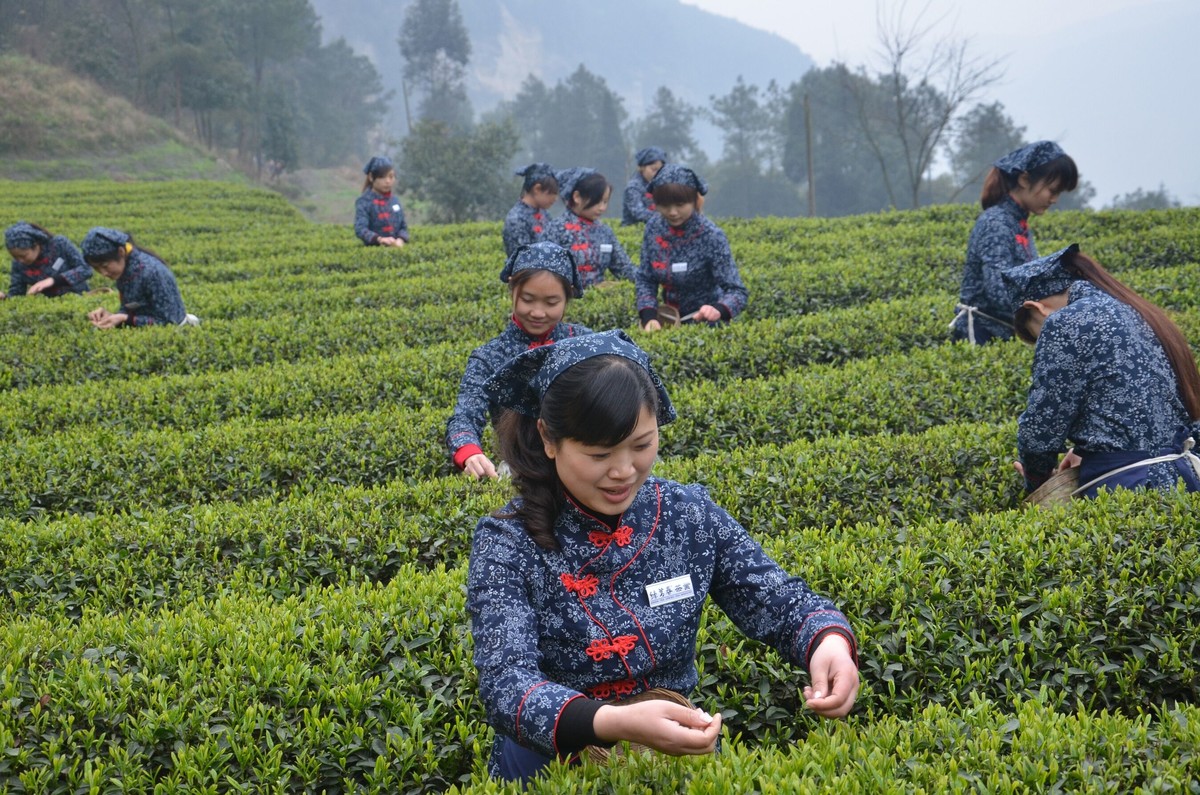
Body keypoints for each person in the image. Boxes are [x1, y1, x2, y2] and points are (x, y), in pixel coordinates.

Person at [467, 329, 859, 783]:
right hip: (550, 760)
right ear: (548, 439)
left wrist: (827, 642)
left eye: (641, 444)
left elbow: (778, 599)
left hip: (670, 748)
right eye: (599, 454)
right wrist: (609, 722)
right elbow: (506, 684)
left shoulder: (687, 513)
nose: (623, 471)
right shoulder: (507, 541)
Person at [1003, 244, 1200, 497]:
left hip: (1126, 486)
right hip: (1184, 479)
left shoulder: (1066, 322)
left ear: (1035, 308)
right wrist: (1090, 447)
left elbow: (1041, 430)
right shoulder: (1139, 312)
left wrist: (1037, 479)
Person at [446, 241, 592, 479]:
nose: (537, 312)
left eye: (551, 302)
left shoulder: (586, 343)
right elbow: (466, 414)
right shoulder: (489, 356)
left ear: (568, 298)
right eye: (527, 299)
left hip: (585, 466)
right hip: (521, 473)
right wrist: (469, 451)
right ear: (512, 290)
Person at [951, 140, 1079, 344]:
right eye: (1052, 190)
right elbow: (998, 291)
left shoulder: (1018, 223)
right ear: (1024, 180)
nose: (1054, 199)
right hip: (982, 335)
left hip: (1006, 334)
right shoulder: (996, 222)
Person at [636, 165, 748, 332]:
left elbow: (737, 291)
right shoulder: (653, 227)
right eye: (665, 205)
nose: (673, 212)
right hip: (667, 322)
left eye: (680, 204)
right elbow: (646, 277)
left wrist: (718, 308)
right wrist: (649, 316)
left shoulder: (711, 236)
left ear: (694, 201)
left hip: (706, 326)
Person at [80, 227, 197, 328]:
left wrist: (125, 318)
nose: (103, 273)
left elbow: (169, 322)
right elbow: (130, 309)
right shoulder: (125, 269)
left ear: (121, 252)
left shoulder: (151, 272)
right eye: (96, 268)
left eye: (104, 266)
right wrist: (111, 316)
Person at [542, 168, 635, 291]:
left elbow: (624, 267)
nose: (602, 208)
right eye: (597, 201)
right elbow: (543, 274)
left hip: (598, 301)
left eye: (605, 202)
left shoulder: (604, 231)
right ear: (577, 197)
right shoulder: (556, 229)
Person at [3, 221, 92, 299]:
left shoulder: (59, 244)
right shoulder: (18, 264)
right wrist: (5, 298)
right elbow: (17, 294)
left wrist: (52, 281)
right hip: (51, 305)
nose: (20, 260)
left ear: (36, 245)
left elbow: (85, 269)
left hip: (79, 297)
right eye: (15, 257)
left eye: (23, 256)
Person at [503, 163, 559, 258]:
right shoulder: (517, 219)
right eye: (552, 193)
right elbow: (521, 259)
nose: (555, 198)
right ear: (537, 189)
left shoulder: (545, 215)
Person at [354, 155, 408, 248]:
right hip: (373, 252)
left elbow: (403, 227)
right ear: (371, 177)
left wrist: (400, 239)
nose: (387, 181)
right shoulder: (364, 202)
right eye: (382, 177)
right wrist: (379, 239)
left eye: (391, 177)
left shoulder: (395, 201)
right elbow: (360, 229)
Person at [621, 146, 667, 226]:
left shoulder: (661, 185)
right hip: (634, 230)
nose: (658, 173)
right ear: (642, 168)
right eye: (654, 169)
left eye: (661, 170)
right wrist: (665, 217)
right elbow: (639, 213)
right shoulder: (633, 187)